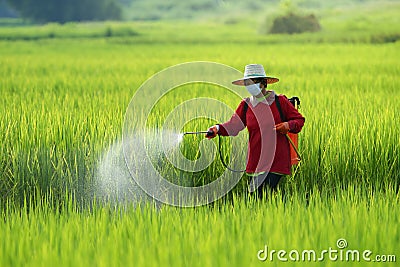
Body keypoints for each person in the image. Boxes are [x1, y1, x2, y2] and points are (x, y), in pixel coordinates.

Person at [206, 64, 305, 199]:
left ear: (263, 83)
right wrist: (217, 129)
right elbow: (233, 126)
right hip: (256, 160)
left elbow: (299, 120)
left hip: (276, 159)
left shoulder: (279, 101)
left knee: (264, 193)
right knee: (254, 197)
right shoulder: (246, 105)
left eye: (253, 82)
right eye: (247, 83)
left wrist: (288, 125)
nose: (250, 86)